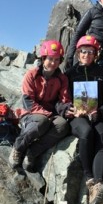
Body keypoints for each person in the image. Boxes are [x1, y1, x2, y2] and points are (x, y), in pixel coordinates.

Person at [64, 34, 103, 204]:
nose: (87, 54)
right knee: (86, 133)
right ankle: (90, 179)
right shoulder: (70, 74)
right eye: (83, 51)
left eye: (91, 52)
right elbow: (63, 98)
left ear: (96, 54)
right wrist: (68, 109)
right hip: (77, 117)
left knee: (102, 134)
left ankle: (98, 185)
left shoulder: (102, 72)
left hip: (95, 115)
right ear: (78, 53)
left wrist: (100, 111)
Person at [8, 40, 71, 172]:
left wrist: (67, 110)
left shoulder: (62, 78)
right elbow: (28, 102)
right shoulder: (31, 75)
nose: (53, 63)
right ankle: (18, 147)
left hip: (49, 114)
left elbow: (63, 100)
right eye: (50, 59)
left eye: (57, 60)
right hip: (30, 114)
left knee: (62, 125)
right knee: (42, 121)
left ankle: (32, 151)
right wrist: (46, 114)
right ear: (43, 58)